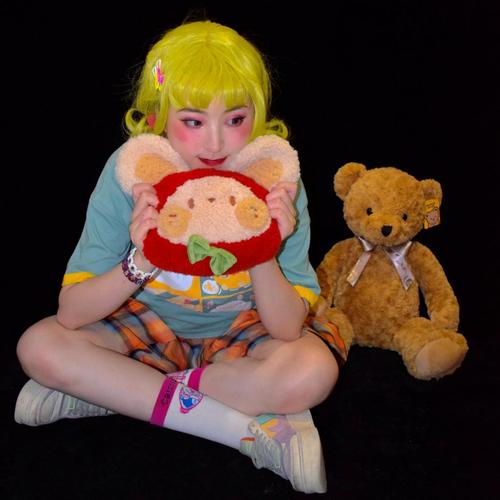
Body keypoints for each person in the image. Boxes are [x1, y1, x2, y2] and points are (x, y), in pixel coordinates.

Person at [14, 20, 347, 494]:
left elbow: (287, 329)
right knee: (39, 347)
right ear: (158, 118)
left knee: (313, 371)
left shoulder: (276, 181)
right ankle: (249, 433)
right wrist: (143, 257)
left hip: (241, 331)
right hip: (145, 322)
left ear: (258, 116)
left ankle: (119, 391)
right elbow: (71, 313)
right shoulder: (130, 174)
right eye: (193, 121)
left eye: (235, 119)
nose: (215, 144)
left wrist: (263, 247)